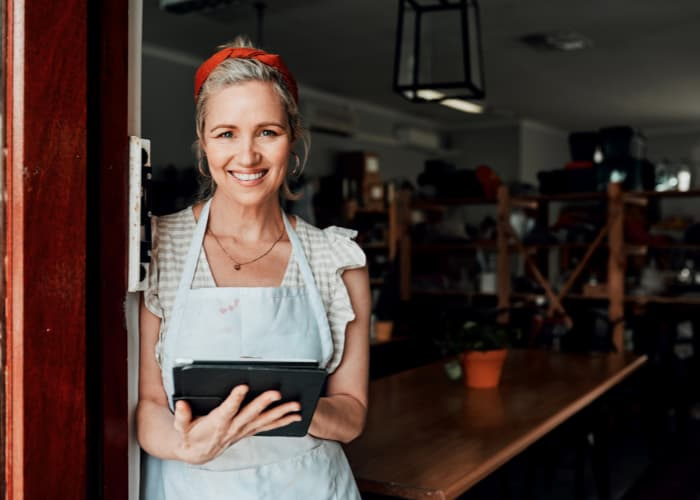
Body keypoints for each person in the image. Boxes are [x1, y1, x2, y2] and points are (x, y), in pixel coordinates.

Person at [137, 37, 369, 499]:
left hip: (308, 485)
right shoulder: (159, 246)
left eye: (267, 131)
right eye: (226, 134)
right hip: (191, 484)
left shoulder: (335, 261)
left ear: (293, 139)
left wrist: (285, 410)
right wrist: (187, 444)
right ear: (203, 143)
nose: (247, 157)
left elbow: (351, 414)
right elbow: (148, 406)